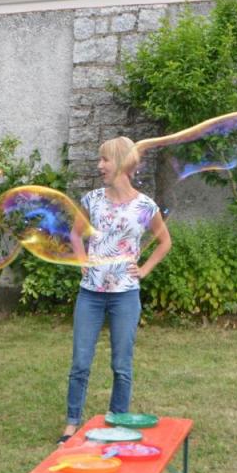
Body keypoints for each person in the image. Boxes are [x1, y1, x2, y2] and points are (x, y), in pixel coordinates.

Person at [59, 136, 172, 444]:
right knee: (81, 361)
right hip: (90, 295)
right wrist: (82, 261)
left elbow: (165, 242)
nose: (99, 166)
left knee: (121, 364)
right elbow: (76, 234)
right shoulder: (92, 200)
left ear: (121, 163)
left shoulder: (146, 206)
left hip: (125, 295)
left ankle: (117, 423)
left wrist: (144, 270)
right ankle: (71, 424)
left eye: (105, 160)